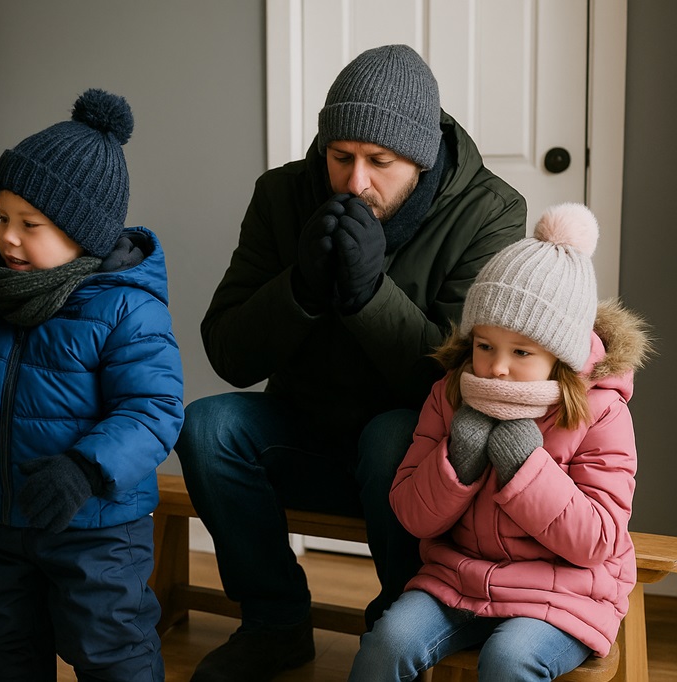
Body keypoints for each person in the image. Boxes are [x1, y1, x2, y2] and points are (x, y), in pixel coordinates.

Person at [175, 43, 527, 681]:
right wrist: (300, 288)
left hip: (412, 453)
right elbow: (228, 352)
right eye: (340, 157)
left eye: (379, 162)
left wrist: (369, 296)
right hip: (304, 433)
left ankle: (398, 628)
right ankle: (274, 624)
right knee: (207, 426)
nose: (355, 181)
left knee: (391, 433)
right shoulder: (283, 194)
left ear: (421, 156)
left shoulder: (489, 213)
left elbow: (464, 385)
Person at [0, 89, 185, 682]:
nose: (8, 237)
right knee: (2, 646)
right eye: (3, 217)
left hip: (96, 526)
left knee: (110, 648)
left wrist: (85, 468)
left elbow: (153, 409)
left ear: (84, 234)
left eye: (32, 224)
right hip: (3, 518)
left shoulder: (127, 308)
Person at [348, 203, 650, 680]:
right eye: (485, 346)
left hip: (564, 593)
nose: (497, 367)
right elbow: (411, 513)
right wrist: (457, 461)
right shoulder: (452, 393)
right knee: (387, 643)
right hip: (458, 578)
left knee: (510, 660)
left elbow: (598, 541)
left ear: (562, 357)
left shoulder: (602, 412)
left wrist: (526, 467)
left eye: (522, 352)